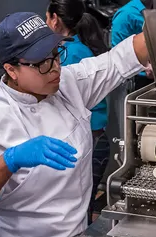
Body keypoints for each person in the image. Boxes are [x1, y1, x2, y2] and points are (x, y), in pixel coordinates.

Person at [0, 11, 149, 237]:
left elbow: (119, 60)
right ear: (11, 70)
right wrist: (10, 160)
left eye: (55, 54)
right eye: (41, 62)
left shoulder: (67, 85)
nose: (54, 67)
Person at [45, 0, 110, 225]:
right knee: (84, 208)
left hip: (90, 142)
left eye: (46, 18)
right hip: (98, 140)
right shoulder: (79, 48)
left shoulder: (67, 55)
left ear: (54, 19)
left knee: (79, 212)